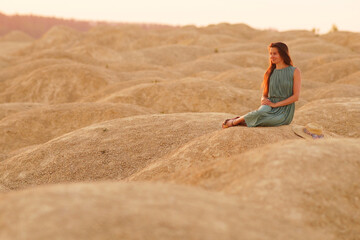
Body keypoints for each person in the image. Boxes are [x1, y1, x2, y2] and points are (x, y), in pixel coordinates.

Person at [222, 42, 301, 128]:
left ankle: (237, 122)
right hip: (269, 104)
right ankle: (235, 121)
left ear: (283, 54)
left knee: (270, 120)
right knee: (260, 112)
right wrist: (263, 99)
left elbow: (295, 97)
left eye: (275, 53)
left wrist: (276, 105)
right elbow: (265, 94)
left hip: (285, 110)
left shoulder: (294, 71)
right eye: (270, 54)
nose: (271, 56)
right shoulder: (269, 72)